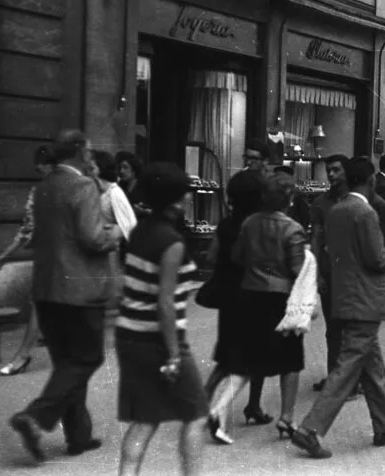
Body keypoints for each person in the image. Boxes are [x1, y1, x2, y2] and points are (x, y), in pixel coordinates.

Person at [10, 130, 122, 462]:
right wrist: (116, 233)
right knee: (87, 358)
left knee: (68, 364)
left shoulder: (44, 187)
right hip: (79, 288)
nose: (91, 156)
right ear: (78, 151)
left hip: (47, 288)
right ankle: (36, 416)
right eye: (88, 150)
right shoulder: (83, 186)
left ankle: (78, 436)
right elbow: (92, 238)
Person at [292, 158, 385, 459]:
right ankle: (310, 429)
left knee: (372, 366)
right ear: (370, 181)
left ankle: (384, 427)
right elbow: (376, 259)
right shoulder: (365, 212)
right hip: (365, 300)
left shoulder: (336, 210)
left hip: (345, 296)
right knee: (348, 367)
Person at [116, 163, 207, 476]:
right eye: (186, 194)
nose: (190, 198)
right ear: (176, 201)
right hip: (158, 339)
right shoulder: (172, 243)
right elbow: (165, 303)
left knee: (145, 419)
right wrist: (173, 355)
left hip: (129, 335)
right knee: (196, 414)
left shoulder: (139, 231)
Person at [208, 174, 306, 443]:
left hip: (250, 294)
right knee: (291, 360)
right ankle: (287, 417)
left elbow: (238, 256)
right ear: (289, 199)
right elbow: (297, 269)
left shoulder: (250, 223)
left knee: (246, 360)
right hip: (281, 298)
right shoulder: (293, 229)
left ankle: (218, 407)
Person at [205, 170, 271, 438]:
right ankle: (237, 406)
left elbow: (211, 257)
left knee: (226, 357)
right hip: (253, 295)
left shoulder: (226, 224)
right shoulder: (260, 225)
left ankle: (202, 403)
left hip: (227, 296)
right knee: (255, 356)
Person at [0, 145, 55, 376]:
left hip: (54, 257)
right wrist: (5, 255)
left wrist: (4, 256)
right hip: (55, 257)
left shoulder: (42, 192)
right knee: (41, 302)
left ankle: (24, 355)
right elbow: (27, 231)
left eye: (42, 166)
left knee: (40, 302)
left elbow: (25, 232)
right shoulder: (46, 192)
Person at [309, 154, 349, 392]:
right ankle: (334, 376)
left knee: (352, 328)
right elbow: (316, 238)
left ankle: (352, 379)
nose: (331, 175)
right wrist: (316, 274)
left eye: (336, 170)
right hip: (329, 273)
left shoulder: (356, 200)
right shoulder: (320, 203)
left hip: (353, 275)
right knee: (333, 328)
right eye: (329, 170)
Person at [90, 150, 137, 308]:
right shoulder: (95, 191)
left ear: (101, 168)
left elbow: (130, 224)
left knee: (110, 298)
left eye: (92, 167)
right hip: (96, 251)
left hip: (110, 253)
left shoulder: (114, 192)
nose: (89, 171)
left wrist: (116, 229)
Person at [273, 165, 310, 230]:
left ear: (290, 178)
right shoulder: (274, 196)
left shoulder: (299, 197)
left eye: (280, 177)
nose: (277, 180)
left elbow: (305, 219)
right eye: (275, 177)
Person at [115, 151, 149, 216]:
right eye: (120, 168)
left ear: (134, 169)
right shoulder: (120, 185)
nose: (121, 171)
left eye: (125, 167)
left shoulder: (144, 185)